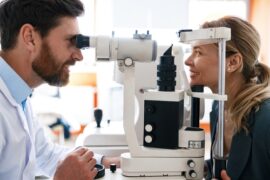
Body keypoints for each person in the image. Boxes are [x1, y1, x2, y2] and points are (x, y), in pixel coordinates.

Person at [0, 0, 119, 179]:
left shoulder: (20, 95)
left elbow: (45, 154)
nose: (78, 55)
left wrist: (104, 162)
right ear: (30, 37)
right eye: (71, 41)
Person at [185, 16, 270, 180]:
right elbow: (230, 165)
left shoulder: (266, 120)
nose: (188, 61)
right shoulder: (219, 107)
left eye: (198, 52)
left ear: (232, 62)